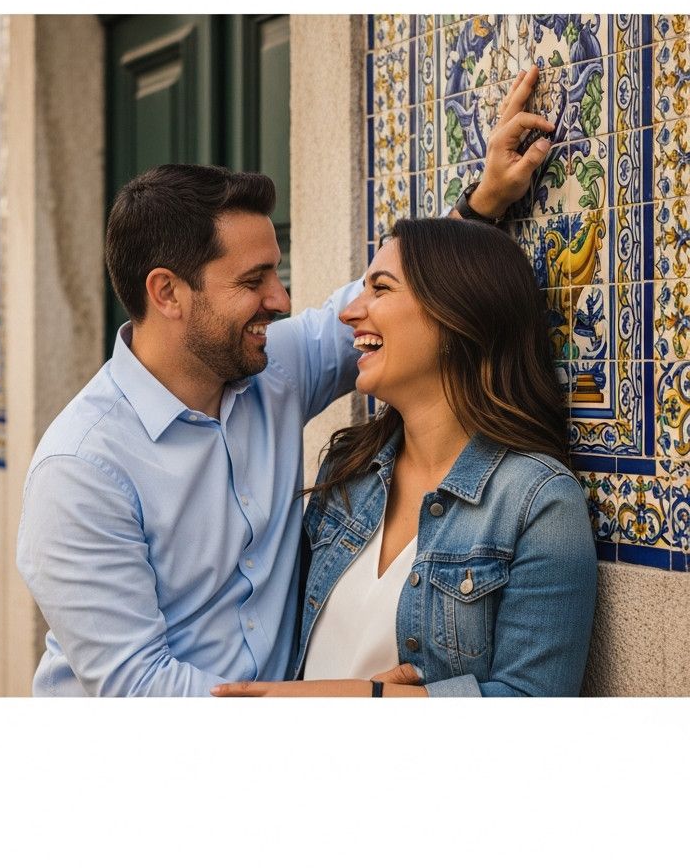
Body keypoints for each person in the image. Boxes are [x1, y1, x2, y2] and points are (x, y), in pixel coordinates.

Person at [17, 67, 559, 696]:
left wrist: (482, 202)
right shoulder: (81, 468)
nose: (280, 299)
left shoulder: (269, 366)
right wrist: (342, 706)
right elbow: (141, 690)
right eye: (253, 281)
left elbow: (391, 307)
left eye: (277, 272)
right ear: (167, 292)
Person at [211, 217, 597, 698]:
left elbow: (536, 709)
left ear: (456, 313)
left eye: (381, 288)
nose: (351, 311)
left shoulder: (536, 503)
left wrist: (372, 701)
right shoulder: (349, 473)